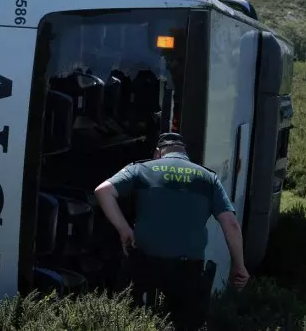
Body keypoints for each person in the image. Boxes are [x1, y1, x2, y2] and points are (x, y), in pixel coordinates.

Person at [93, 132, 250, 331]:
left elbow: (102, 191)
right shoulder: (208, 178)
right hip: (187, 269)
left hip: (144, 261)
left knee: (129, 319)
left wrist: (124, 230)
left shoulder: (140, 169)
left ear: (158, 153)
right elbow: (231, 223)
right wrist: (239, 264)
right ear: (185, 153)